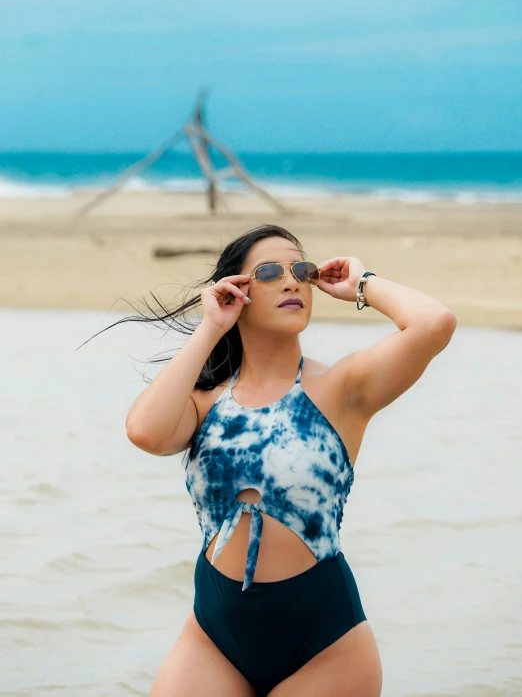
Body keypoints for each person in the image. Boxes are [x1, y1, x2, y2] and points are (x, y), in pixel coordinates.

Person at [124, 223, 457, 697]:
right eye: (267, 273)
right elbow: (144, 432)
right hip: (214, 637)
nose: (291, 281)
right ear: (235, 292)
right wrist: (210, 326)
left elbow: (435, 323)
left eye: (300, 269)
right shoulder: (203, 402)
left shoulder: (342, 389)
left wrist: (361, 283)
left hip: (325, 644)